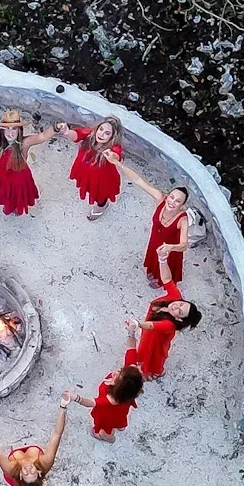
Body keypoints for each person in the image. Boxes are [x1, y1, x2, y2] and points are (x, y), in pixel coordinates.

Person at [0, 106, 56, 216]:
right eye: (7, 128)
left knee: (17, 197)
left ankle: (15, 208)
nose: (10, 132)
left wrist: (56, 128)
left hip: (18, 179)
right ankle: (9, 207)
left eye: (14, 129)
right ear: (2, 129)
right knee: (4, 195)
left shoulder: (24, 143)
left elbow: (43, 136)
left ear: (19, 130)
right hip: (0, 175)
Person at [136, 243, 202, 378]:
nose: (176, 306)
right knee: (143, 350)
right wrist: (162, 259)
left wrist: (136, 324)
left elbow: (151, 325)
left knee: (155, 356)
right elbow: (167, 279)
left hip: (155, 337)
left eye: (180, 311)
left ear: (178, 319)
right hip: (149, 331)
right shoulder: (175, 297)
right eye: (181, 304)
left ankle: (156, 372)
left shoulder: (169, 324)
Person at [120, 164, 191, 283]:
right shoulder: (160, 199)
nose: (172, 202)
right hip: (155, 240)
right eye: (171, 197)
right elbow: (138, 180)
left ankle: (160, 279)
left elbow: (184, 245)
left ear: (182, 206)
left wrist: (171, 247)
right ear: (167, 196)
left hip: (169, 249)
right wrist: (117, 163)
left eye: (177, 201)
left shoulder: (182, 219)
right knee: (153, 257)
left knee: (164, 265)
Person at [69, 325, 144, 437]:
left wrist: (75, 397)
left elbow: (91, 402)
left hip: (107, 413)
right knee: (121, 416)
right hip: (122, 408)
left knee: (103, 427)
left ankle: (107, 437)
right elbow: (131, 348)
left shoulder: (110, 399)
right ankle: (120, 425)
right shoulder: (130, 379)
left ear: (117, 387)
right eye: (120, 370)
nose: (114, 373)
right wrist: (131, 333)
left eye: (116, 378)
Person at [59, 116, 123, 215]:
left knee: (100, 196)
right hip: (84, 173)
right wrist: (67, 132)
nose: (101, 134)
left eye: (107, 133)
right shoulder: (90, 134)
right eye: (101, 129)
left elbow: (116, 155)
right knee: (89, 189)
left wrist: (111, 156)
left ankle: (101, 208)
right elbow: (77, 135)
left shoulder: (113, 147)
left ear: (112, 137)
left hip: (101, 181)